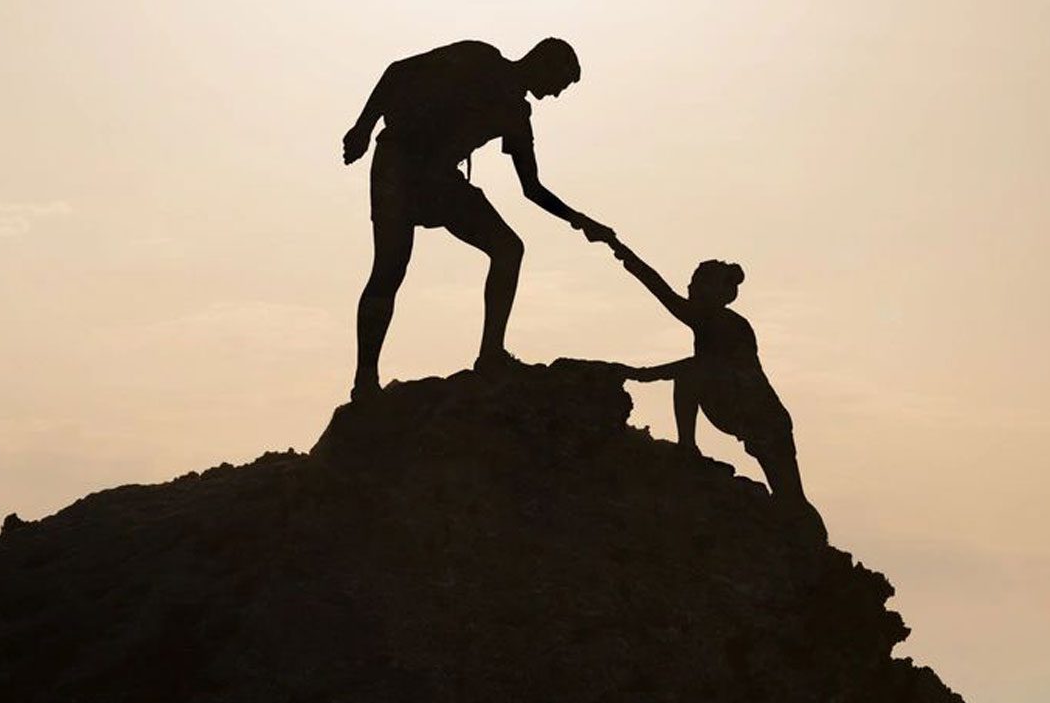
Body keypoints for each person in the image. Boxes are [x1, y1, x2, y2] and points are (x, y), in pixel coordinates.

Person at [342, 38, 612, 401]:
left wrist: (579, 220)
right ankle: (365, 379)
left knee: (508, 249)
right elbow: (398, 72)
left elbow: (531, 187)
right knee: (389, 269)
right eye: (560, 84)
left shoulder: (517, 115)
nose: (556, 95)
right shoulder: (477, 56)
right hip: (398, 165)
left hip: (442, 180)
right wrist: (363, 127)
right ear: (543, 63)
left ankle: (491, 355)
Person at [605, 236, 825, 534]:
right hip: (741, 407)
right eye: (692, 281)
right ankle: (688, 446)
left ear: (717, 292)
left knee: (790, 498)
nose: (690, 287)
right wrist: (618, 249)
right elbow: (661, 290)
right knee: (789, 498)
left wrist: (642, 374)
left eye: (698, 282)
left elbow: (699, 364)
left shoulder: (724, 323)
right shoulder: (712, 319)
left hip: (761, 417)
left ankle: (810, 543)